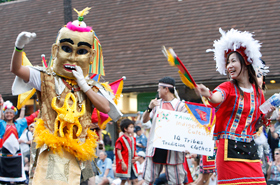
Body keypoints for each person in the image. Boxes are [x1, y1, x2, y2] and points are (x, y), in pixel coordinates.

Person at [10, 7, 124, 185]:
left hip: (83, 151)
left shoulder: (92, 86)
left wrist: (84, 85)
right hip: (56, 150)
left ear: (91, 56)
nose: (73, 57)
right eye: (66, 49)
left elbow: (106, 108)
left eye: (81, 51)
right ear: (55, 50)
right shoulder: (45, 78)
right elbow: (17, 69)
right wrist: (19, 47)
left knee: (88, 183)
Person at [195, 28, 274, 185]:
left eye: (233, 61)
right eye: (228, 62)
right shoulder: (228, 87)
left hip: (250, 148)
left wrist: (268, 115)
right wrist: (208, 94)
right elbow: (217, 98)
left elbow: (257, 123)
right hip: (227, 150)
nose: (229, 66)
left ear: (245, 62)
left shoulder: (258, 93)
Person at [142, 76, 188, 185]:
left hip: (173, 149)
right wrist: (149, 108)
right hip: (156, 147)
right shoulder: (156, 104)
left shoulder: (181, 106)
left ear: (166, 89)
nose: (157, 90)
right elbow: (144, 120)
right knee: (148, 180)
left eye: (159, 88)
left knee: (176, 181)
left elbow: (186, 127)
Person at [0, 101, 37, 184]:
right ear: (4, 114)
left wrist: (41, 110)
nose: (9, 114)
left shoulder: (19, 124)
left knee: (18, 180)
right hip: (5, 154)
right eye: (7, 113)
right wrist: (1, 104)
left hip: (16, 155)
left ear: (14, 115)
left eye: (11, 113)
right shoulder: (1, 124)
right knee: (4, 180)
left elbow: (31, 118)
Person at [115, 119, 138, 185]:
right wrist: (122, 163)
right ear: (125, 129)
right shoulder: (120, 139)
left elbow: (134, 150)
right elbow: (118, 151)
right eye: (131, 127)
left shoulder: (133, 139)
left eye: (133, 127)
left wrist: (136, 157)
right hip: (125, 162)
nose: (133, 128)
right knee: (124, 181)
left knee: (135, 180)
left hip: (132, 163)